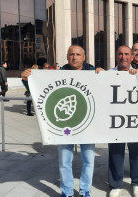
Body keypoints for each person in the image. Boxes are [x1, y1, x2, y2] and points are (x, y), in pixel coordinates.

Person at [22, 45, 95, 197]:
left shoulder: (93, 72)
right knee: (64, 161)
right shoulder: (57, 74)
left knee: (88, 160)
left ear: (84, 57)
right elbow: (39, 87)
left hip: (87, 123)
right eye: (71, 54)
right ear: (67, 57)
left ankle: (84, 190)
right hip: (65, 125)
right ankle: (67, 192)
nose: (74, 57)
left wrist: (102, 73)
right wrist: (27, 80)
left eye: (77, 54)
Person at [97, 46, 138, 197]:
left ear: (132, 57)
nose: (123, 57)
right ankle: (115, 184)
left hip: (135, 120)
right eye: (120, 54)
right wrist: (97, 74)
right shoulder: (107, 74)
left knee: (137, 152)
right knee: (116, 152)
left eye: (126, 54)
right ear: (116, 56)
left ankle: (137, 183)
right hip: (115, 121)